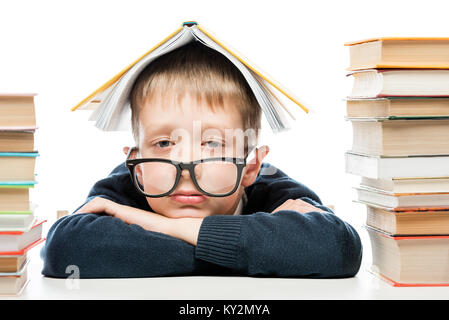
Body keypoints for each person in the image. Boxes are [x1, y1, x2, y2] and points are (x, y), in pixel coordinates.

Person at [41, 42, 362, 278]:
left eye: (211, 143)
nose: (185, 168)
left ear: (251, 166)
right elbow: (65, 250)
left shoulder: (274, 189)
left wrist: (163, 226)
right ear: (135, 165)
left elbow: (339, 248)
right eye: (164, 142)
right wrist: (261, 249)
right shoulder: (121, 188)